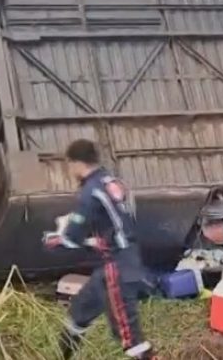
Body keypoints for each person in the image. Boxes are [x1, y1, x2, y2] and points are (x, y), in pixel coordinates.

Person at [43, 139, 158, 360]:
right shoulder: (111, 181)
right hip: (117, 262)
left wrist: (52, 239)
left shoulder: (90, 192)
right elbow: (115, 223)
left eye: (68, 166)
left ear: (75, 163)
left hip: (117, 267)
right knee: (79, 312)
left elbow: (73, 237)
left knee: (129, 336)